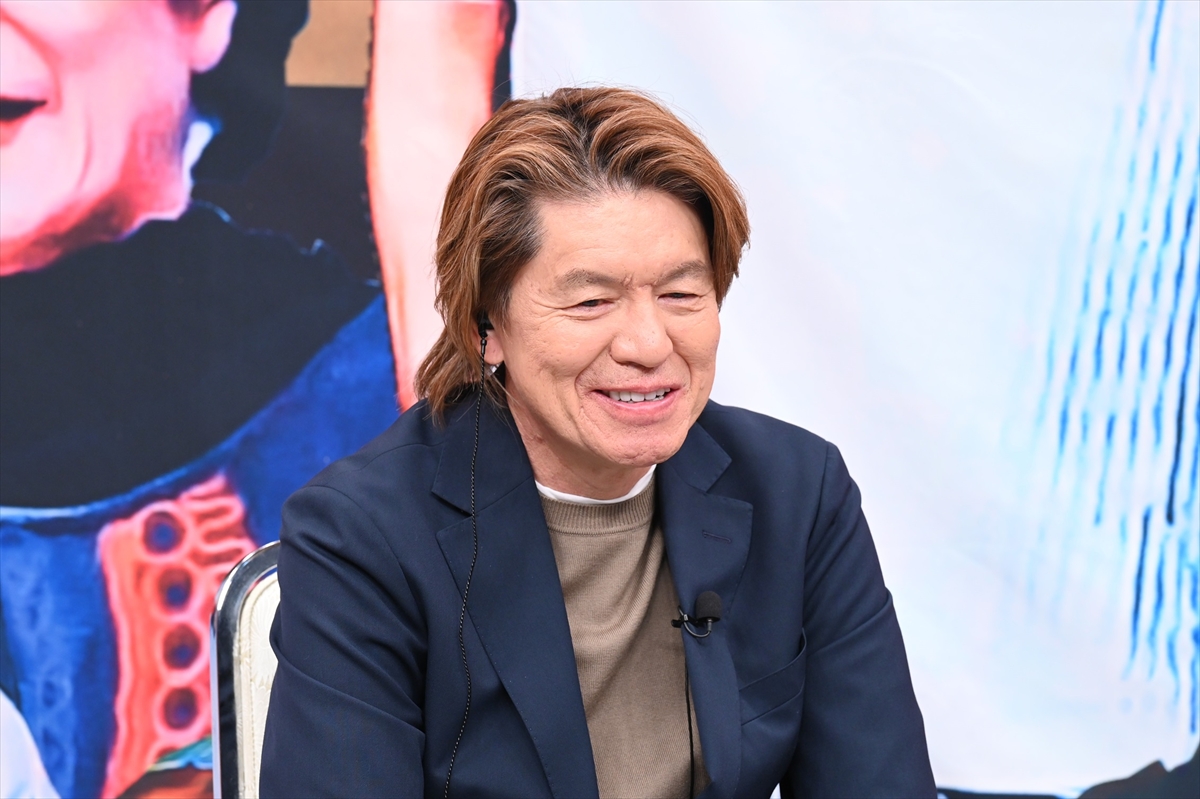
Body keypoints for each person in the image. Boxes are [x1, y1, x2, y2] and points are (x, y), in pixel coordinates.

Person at [261, 86, 936, 798]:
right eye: (591, 301)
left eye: (681, 294)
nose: (649, 344)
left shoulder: (798, 494)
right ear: (487, 324)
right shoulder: (363, 535)